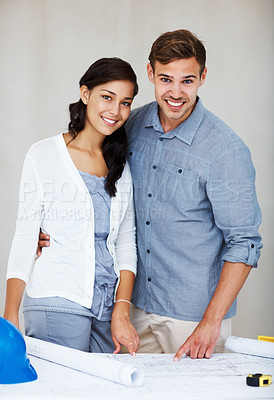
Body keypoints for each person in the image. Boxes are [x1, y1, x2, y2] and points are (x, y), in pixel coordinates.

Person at [38, 30, 263, 360]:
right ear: (150, 73)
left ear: (202, 76)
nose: (175, 92)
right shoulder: (132, 124)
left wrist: (210, 322)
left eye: (187, 80)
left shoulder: (226, 150)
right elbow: (93, 183)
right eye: (165, 79)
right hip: (132, 308)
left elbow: (244, 242)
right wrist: (49, 231)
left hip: (192, 317)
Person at [3, 57, 140, 355]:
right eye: (107, 97)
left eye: (125, 103)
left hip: (106, 308)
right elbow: (26, 235)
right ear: (85, 93)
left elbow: (126, 243)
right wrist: (10, 314)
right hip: (57, 300)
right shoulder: (44, 154)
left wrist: (121, 308)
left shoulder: (121, 165)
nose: (115, 111)